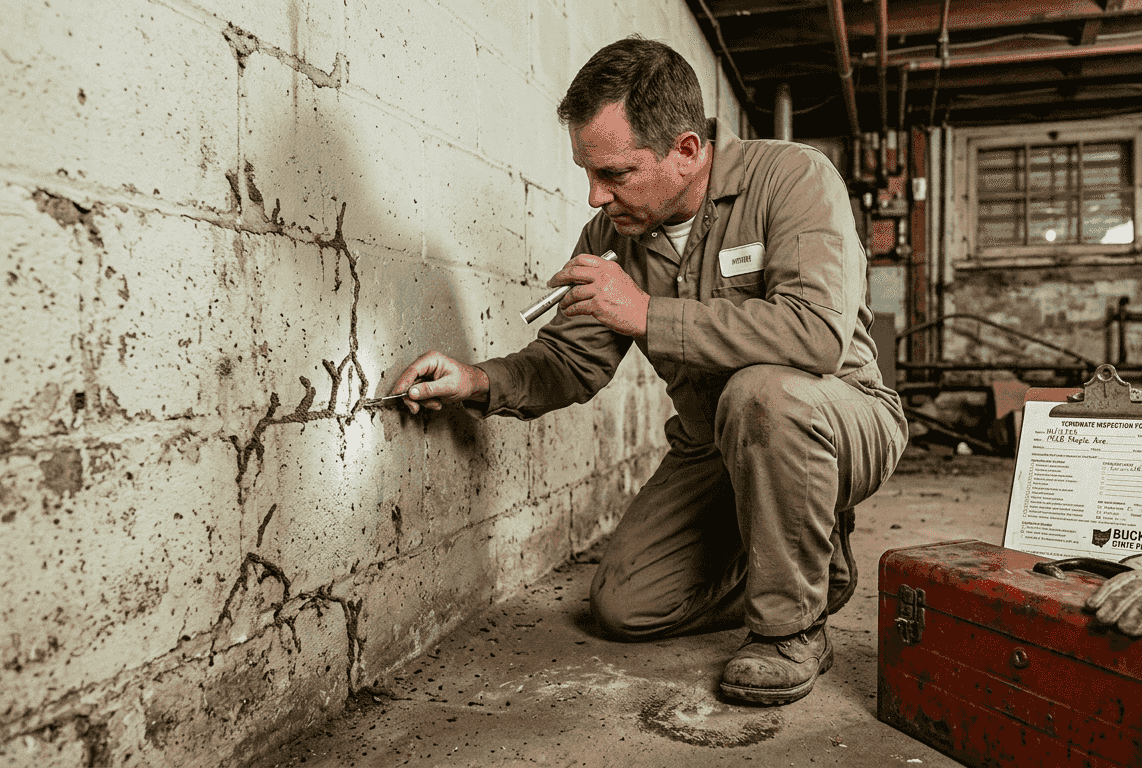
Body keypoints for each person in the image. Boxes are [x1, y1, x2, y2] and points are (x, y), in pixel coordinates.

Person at [389, 36, 907, 705]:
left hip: (839, 421)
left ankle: (790, 629)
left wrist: (646, 314)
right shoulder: (614, 234)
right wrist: (477, 381)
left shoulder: (793, 180)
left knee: (765, 393)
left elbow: (815, 337)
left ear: (687, 150)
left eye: (616, 174)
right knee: (626, 608)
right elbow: (570, 361)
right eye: (588, 172)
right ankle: (812, 563)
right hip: (714, 444)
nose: (594, 197)